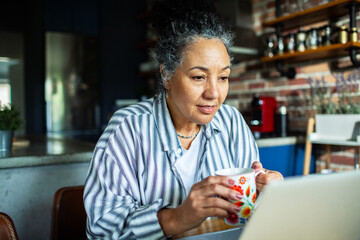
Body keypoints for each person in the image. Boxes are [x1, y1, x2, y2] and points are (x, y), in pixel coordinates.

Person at [83, 0, 284, 239]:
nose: (214, 94)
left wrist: (267, 194)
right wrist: (179, 217)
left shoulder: (231, 122)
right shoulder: (128, 129)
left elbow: (246, 213)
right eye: (199, 77)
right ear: (166, 74)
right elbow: (101, 232)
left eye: (223, 77)